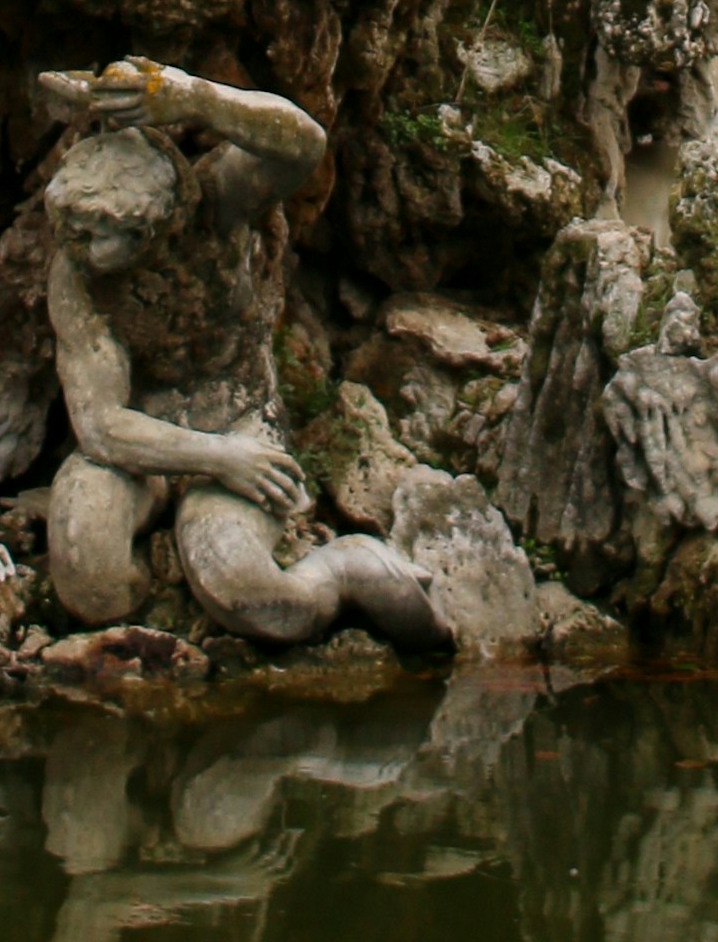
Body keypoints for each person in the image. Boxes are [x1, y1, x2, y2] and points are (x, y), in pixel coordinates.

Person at [35, 57, 441, 656]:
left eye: (101, 234)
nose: (84, 248)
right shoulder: (75, 276)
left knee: (247, 591)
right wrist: (213, 457)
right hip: (142, 441)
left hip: (240, 421)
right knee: (86, 576)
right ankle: (160, 624)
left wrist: (196, 100)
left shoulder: (218, 205)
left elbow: (303, 144)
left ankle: (342, 571)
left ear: (157, 228)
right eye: (74, 230)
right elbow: (98, 423)